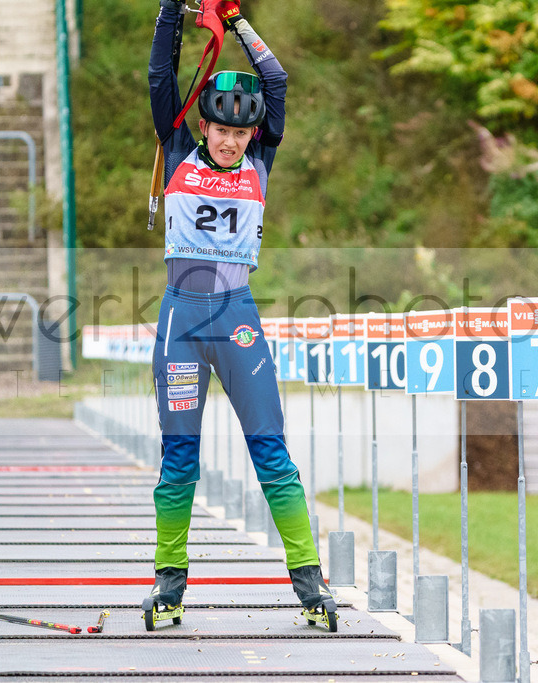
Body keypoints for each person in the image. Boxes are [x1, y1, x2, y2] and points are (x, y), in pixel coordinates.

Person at [145, 0, 337, 630]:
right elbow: (159, 78)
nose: (230, 141)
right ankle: (169, 584)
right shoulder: (177, 151)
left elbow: (275, 80)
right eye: (220, 131)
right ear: (204, 129)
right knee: (179, 456)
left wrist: (236, 25)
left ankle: (310, 584)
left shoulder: (260, 161)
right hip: (181, 319)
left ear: (253, 133)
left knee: (270, 451)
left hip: (237, 318)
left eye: (240, 132)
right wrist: (174, 10)